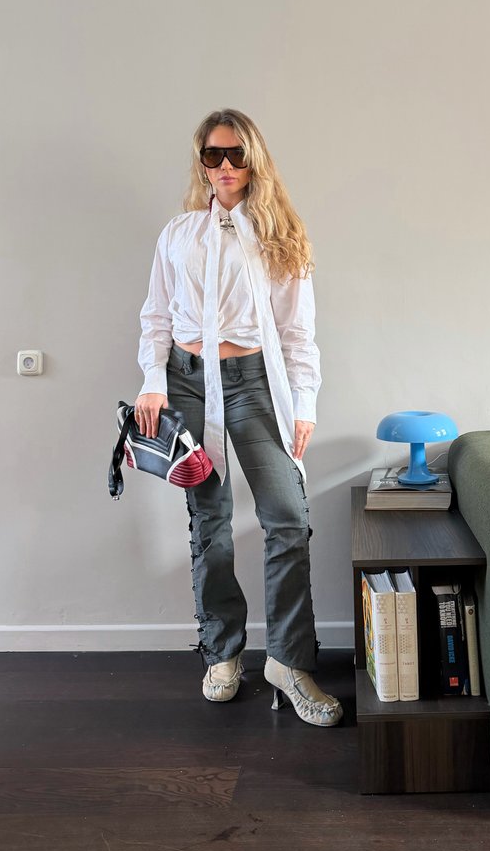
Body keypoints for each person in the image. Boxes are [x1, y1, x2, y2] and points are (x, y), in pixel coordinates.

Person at [134, 107, 342, 727]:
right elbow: (157, 318)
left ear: (254, 161)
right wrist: (152, 383)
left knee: (287, 519)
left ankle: (287, 660)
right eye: (212, 156)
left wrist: (303, 405)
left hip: (256, 387)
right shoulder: (177, 235)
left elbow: (298, 335)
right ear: (200, 162)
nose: (224, 168)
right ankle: (222, 653)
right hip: (188, 386)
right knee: (211, 522)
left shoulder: (280, 236)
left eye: (235, 156)